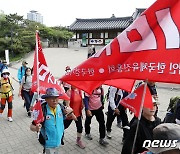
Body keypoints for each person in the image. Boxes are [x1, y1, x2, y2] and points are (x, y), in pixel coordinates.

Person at [30, 88, 71, 154]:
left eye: (56, 98)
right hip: (48, 143)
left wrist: (71, 113)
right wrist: (36, 128)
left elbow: (65, 120)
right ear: (46, 99)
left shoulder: (61, 107)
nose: (55, 100)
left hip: (58, 140)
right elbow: (31, 126)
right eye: (52, 98)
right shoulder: (43, 110)